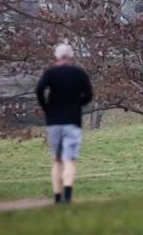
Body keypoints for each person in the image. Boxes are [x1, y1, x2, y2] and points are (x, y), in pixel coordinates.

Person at [36, 43, 93, 204]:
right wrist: (77, 104)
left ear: (57, 56)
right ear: (71, 56)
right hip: (73, 121)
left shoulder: (50, 73)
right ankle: (67, 195)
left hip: (54, 121)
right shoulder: (79, 74)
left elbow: (40, 89)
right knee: (70, 160)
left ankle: (57, 195)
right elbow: (88, 95)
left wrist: (47, 106)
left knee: (57, 160)